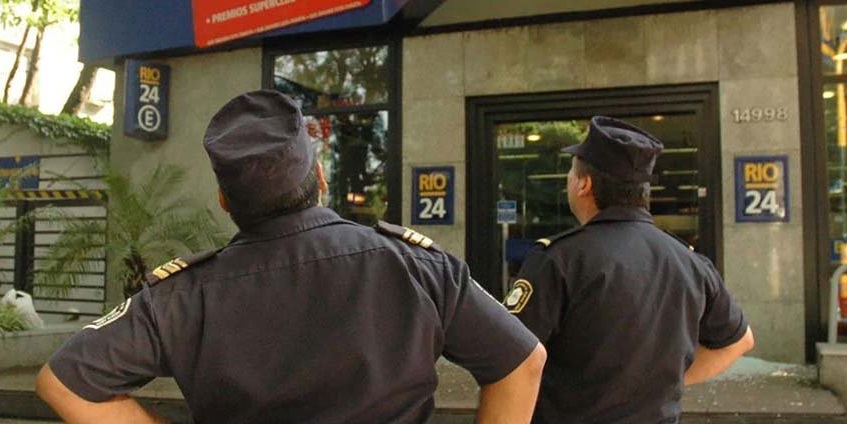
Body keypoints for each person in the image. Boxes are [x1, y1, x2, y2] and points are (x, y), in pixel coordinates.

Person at [36, 90, 546, 424]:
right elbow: (522, 362)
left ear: (224, 200)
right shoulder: (416, 266)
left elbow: (63, 381)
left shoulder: (181, 295)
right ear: (319, 177)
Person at [504, 116, 755, 423]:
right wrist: (658, 384)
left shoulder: (558, 260)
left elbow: (510, 357)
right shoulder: (689, 262)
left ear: (584, 184)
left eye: (571, 172)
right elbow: (739, 341)